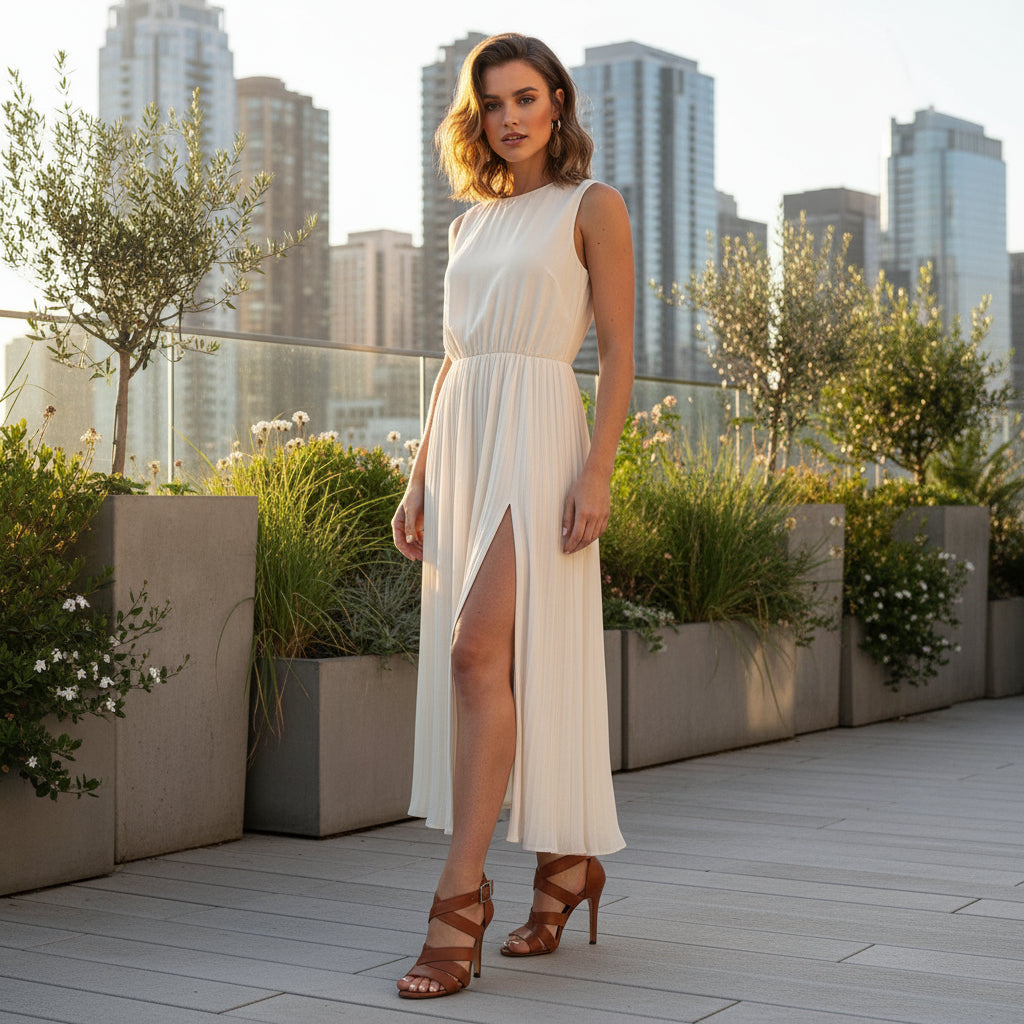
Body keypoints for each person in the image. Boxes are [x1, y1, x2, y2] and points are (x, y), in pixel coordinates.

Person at [391, 31, 634, 1000]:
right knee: (490, 660)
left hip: (539, 436)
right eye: (492, 104)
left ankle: (460, 896)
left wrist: (599, 470)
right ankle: (567, 866)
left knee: (473, 652)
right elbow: (453, 357)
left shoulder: (592, 205)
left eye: (525, 97)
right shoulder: (465, 227)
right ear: (476, 117)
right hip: (462, 437)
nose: (509, 117)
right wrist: (416, 477)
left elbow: (616, 350)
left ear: (558, 101)